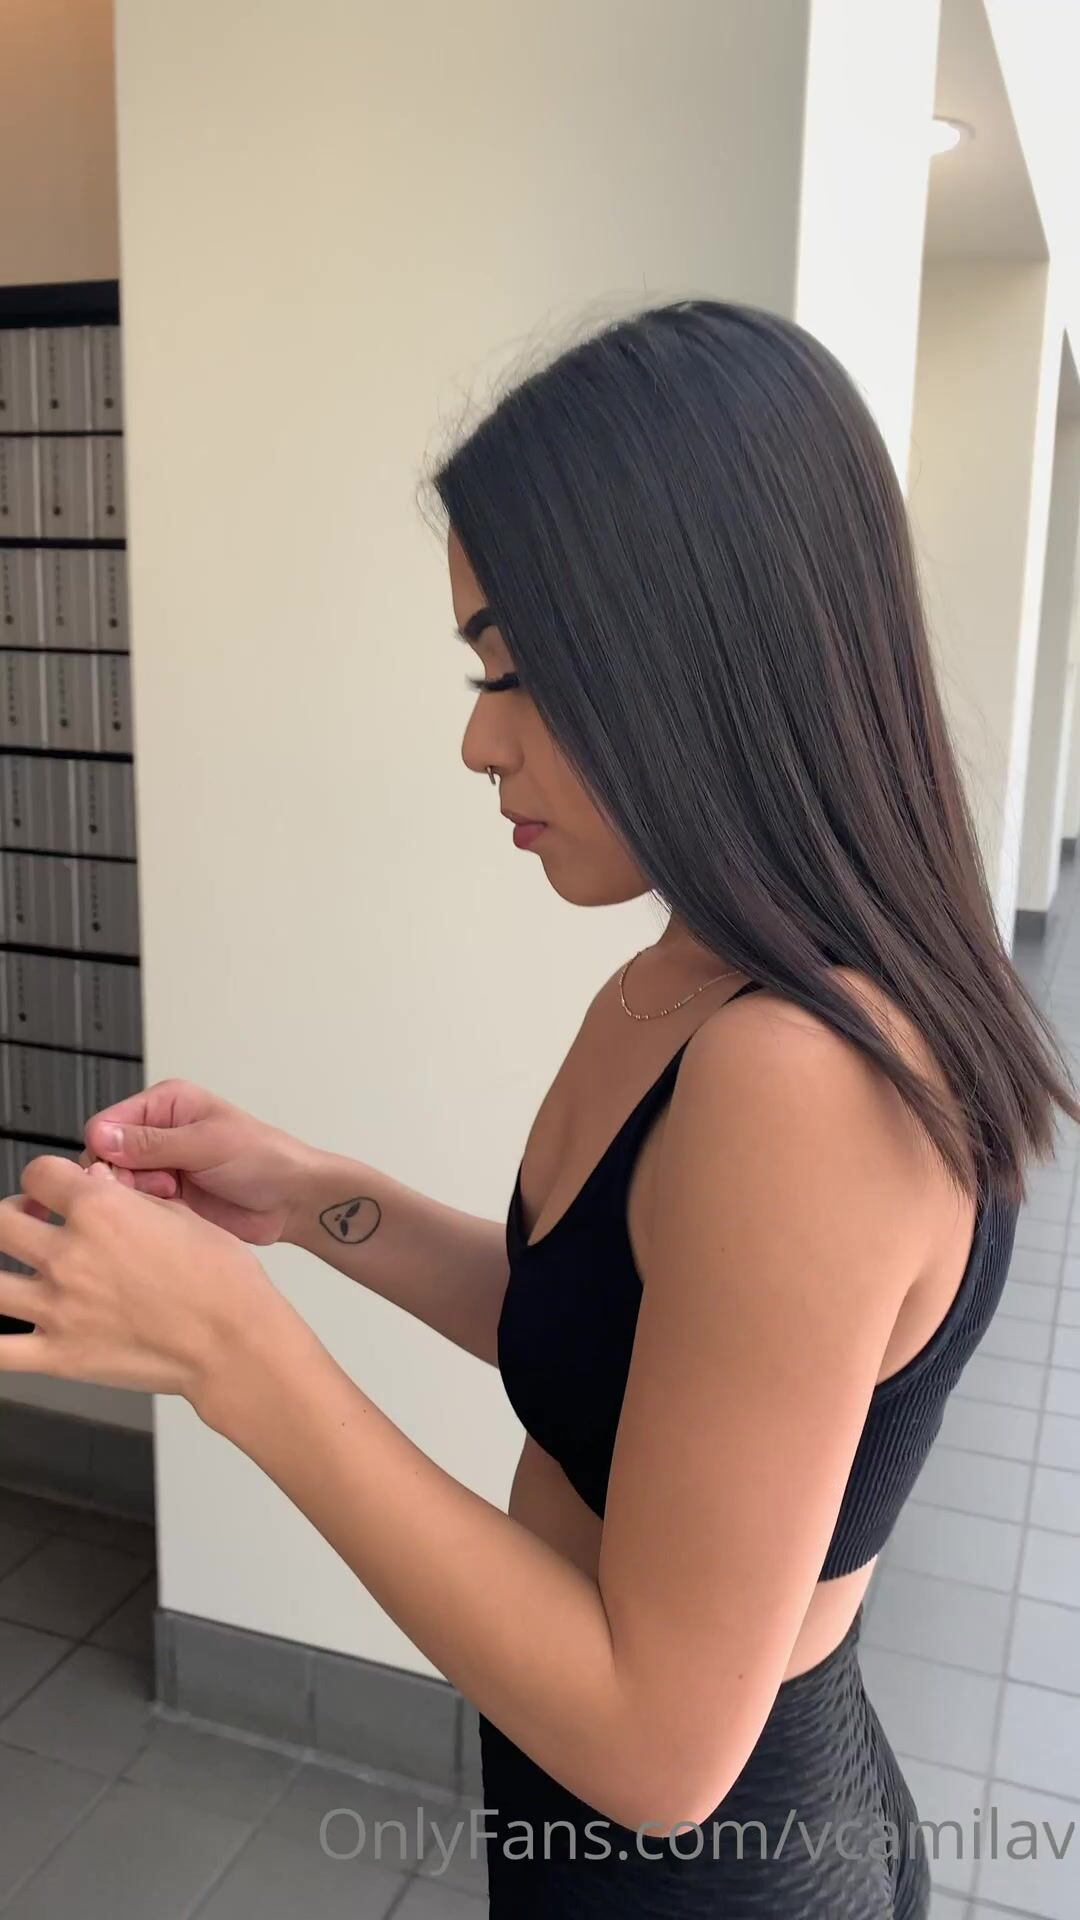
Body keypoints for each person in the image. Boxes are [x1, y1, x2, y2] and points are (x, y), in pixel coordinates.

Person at [0, 299, 1075, 1917]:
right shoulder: (694, 975)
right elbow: (612, 1343)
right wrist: (311, 1198)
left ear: (701, 649)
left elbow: (661, 1747)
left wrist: (233, 1351)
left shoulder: (804, 1079)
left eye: (515, 670)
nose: (475, 739)